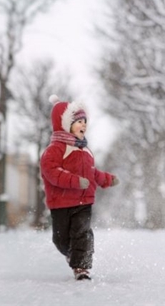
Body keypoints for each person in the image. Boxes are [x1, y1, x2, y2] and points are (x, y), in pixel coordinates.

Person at [40, 95, 119, 280]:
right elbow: (51, 171)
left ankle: (82, 267)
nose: (83, 125)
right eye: (78, 122)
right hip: (60, 203)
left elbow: (92, 173)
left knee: (82, 233)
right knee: (60, 239)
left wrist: (106, 179)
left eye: (85, 121)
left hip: (84, 201)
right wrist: (74, 181)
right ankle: (72, 254)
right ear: (65, 124)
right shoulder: (55, 149)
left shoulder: (85, 150)